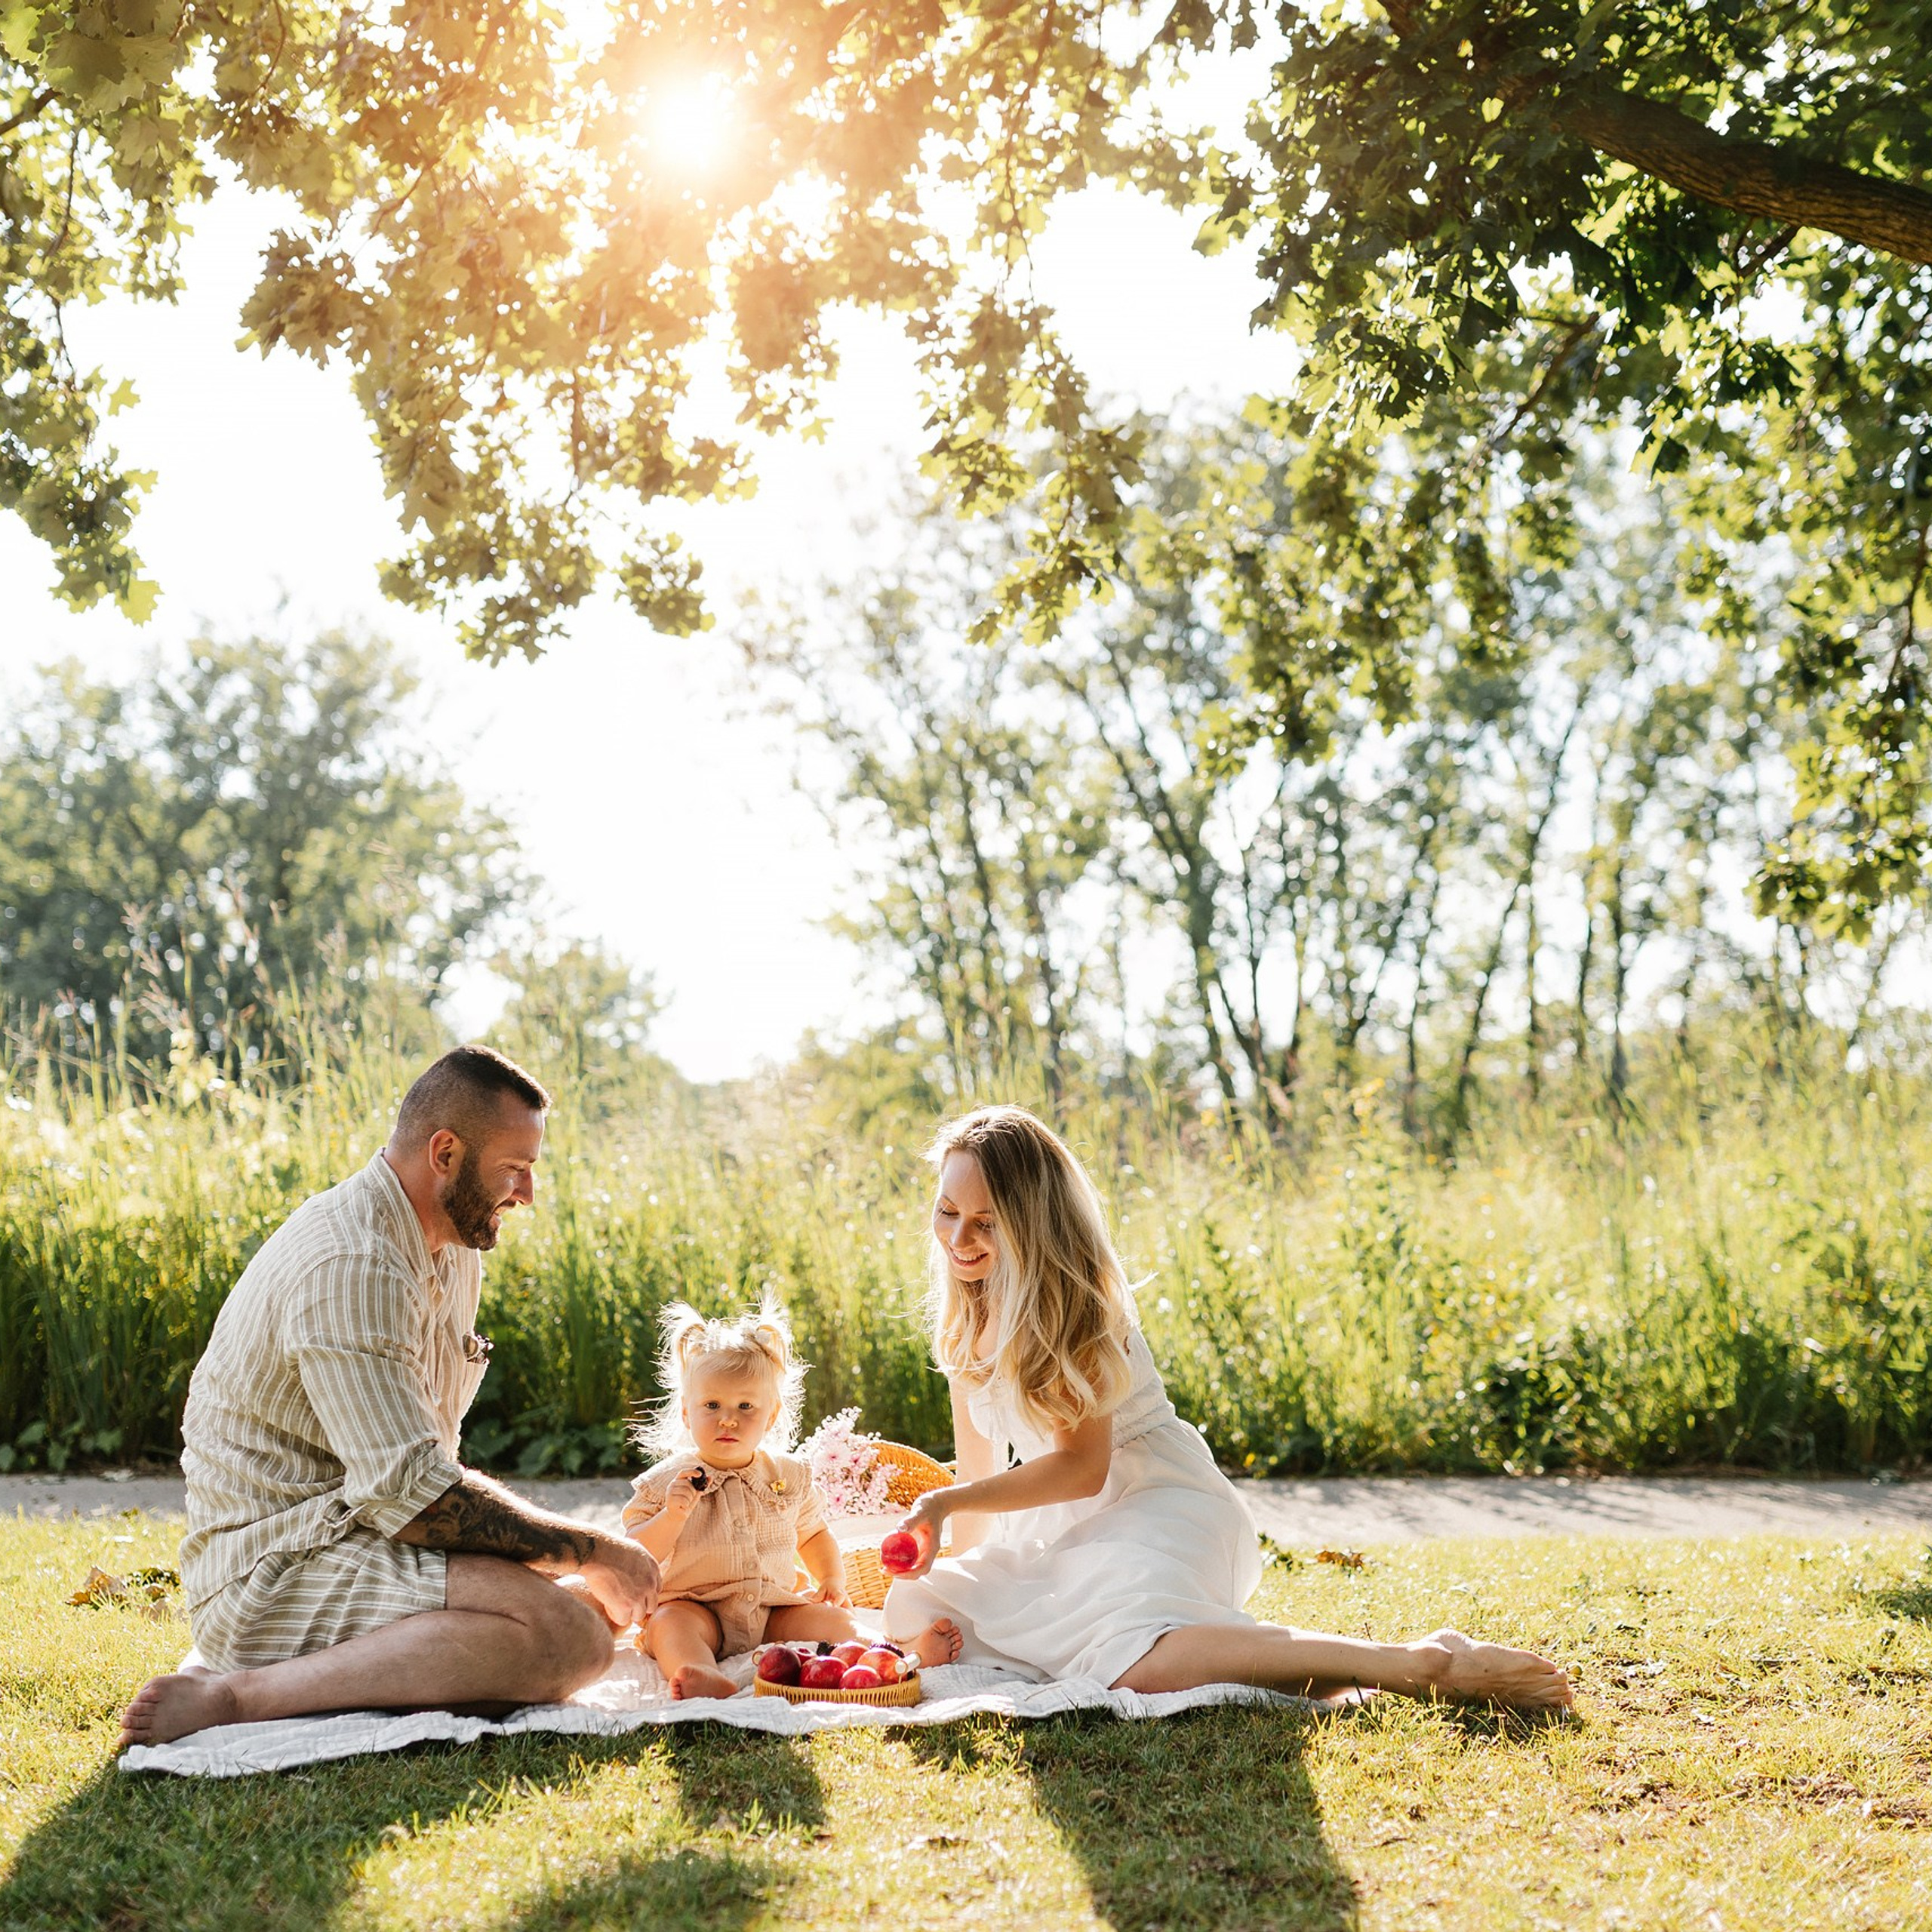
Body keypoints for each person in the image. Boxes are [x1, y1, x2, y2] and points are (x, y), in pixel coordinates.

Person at [881, 1105, 1574, 1710]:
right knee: (918, 1609)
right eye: (947, 1212)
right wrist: (948, 1557)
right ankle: (1300, 1671)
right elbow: (973, 1482)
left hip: (1157, 1502)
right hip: (1069, 1529)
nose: (958, 1239)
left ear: (1033, 1223)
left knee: (1128, 1667)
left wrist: (943, 1505)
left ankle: (1410, 1663)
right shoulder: (965, 1313)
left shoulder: (1077, 1310)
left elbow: (1081, 1470)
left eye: (985, 1223)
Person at [118, 1045, 660, 1749]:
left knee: (582, 1622)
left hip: (365, 1530)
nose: (527, 1192)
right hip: (273, 1574)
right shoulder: (354, 1263)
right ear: (445, 1152)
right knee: (568, 1640)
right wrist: (592, 1549)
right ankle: (235, 1696)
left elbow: (415, 1481)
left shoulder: (454, 1241)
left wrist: (566, 1564)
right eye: (514, 1168)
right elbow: (418, 1496)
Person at [623, 1298, 961, 1699]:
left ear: (770, 1415)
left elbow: (813, 1533)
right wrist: (672, 1516)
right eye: (711, 1405)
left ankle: (895, 1654)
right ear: (685, 1412)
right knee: (668, 1625)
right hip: (697, 1607)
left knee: (835, 1622)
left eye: (745, 1406)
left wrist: (831, 1579)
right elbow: (634, 1553)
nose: (728, 1419)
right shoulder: (666, 1482)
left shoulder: (787, 1475)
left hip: (770, 1609)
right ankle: (698, 1671)